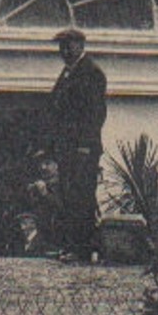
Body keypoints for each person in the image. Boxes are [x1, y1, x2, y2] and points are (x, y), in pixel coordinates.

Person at [44, 27, 106, 264]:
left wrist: (84, 146)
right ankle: (71, 246)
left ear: (81, 45)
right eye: (61, 46)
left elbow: (96, 114)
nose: (64, 50)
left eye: (69, 45)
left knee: (82, 198)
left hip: (83, 150)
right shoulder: (67, 73)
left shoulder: (91, 73)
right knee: (69, 197)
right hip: (66, 148)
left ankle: (83, 249)